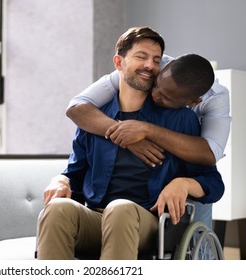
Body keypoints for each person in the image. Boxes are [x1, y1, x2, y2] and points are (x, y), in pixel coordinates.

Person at [36, 27, 224, 260]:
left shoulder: (180, 118)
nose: (149, 65)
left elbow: (213, 182)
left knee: (121, 208)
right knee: (57, 210)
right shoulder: (94, 118)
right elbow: (74, 174)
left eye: (156, 60)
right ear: (118, 62)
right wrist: (60, 179)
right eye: (141, 57)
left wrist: (184, 183)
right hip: (96, 217)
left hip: (148, 222)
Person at [66, 50, 230, 168]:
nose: (154, 94)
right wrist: (128, 138)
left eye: (166, 97)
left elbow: (210, 154)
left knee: (199, 199)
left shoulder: (216, 98)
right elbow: (76, 107)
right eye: (156, 84)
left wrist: (147, 130)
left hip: (190, 172)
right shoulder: (151, 68)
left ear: (194, 102)